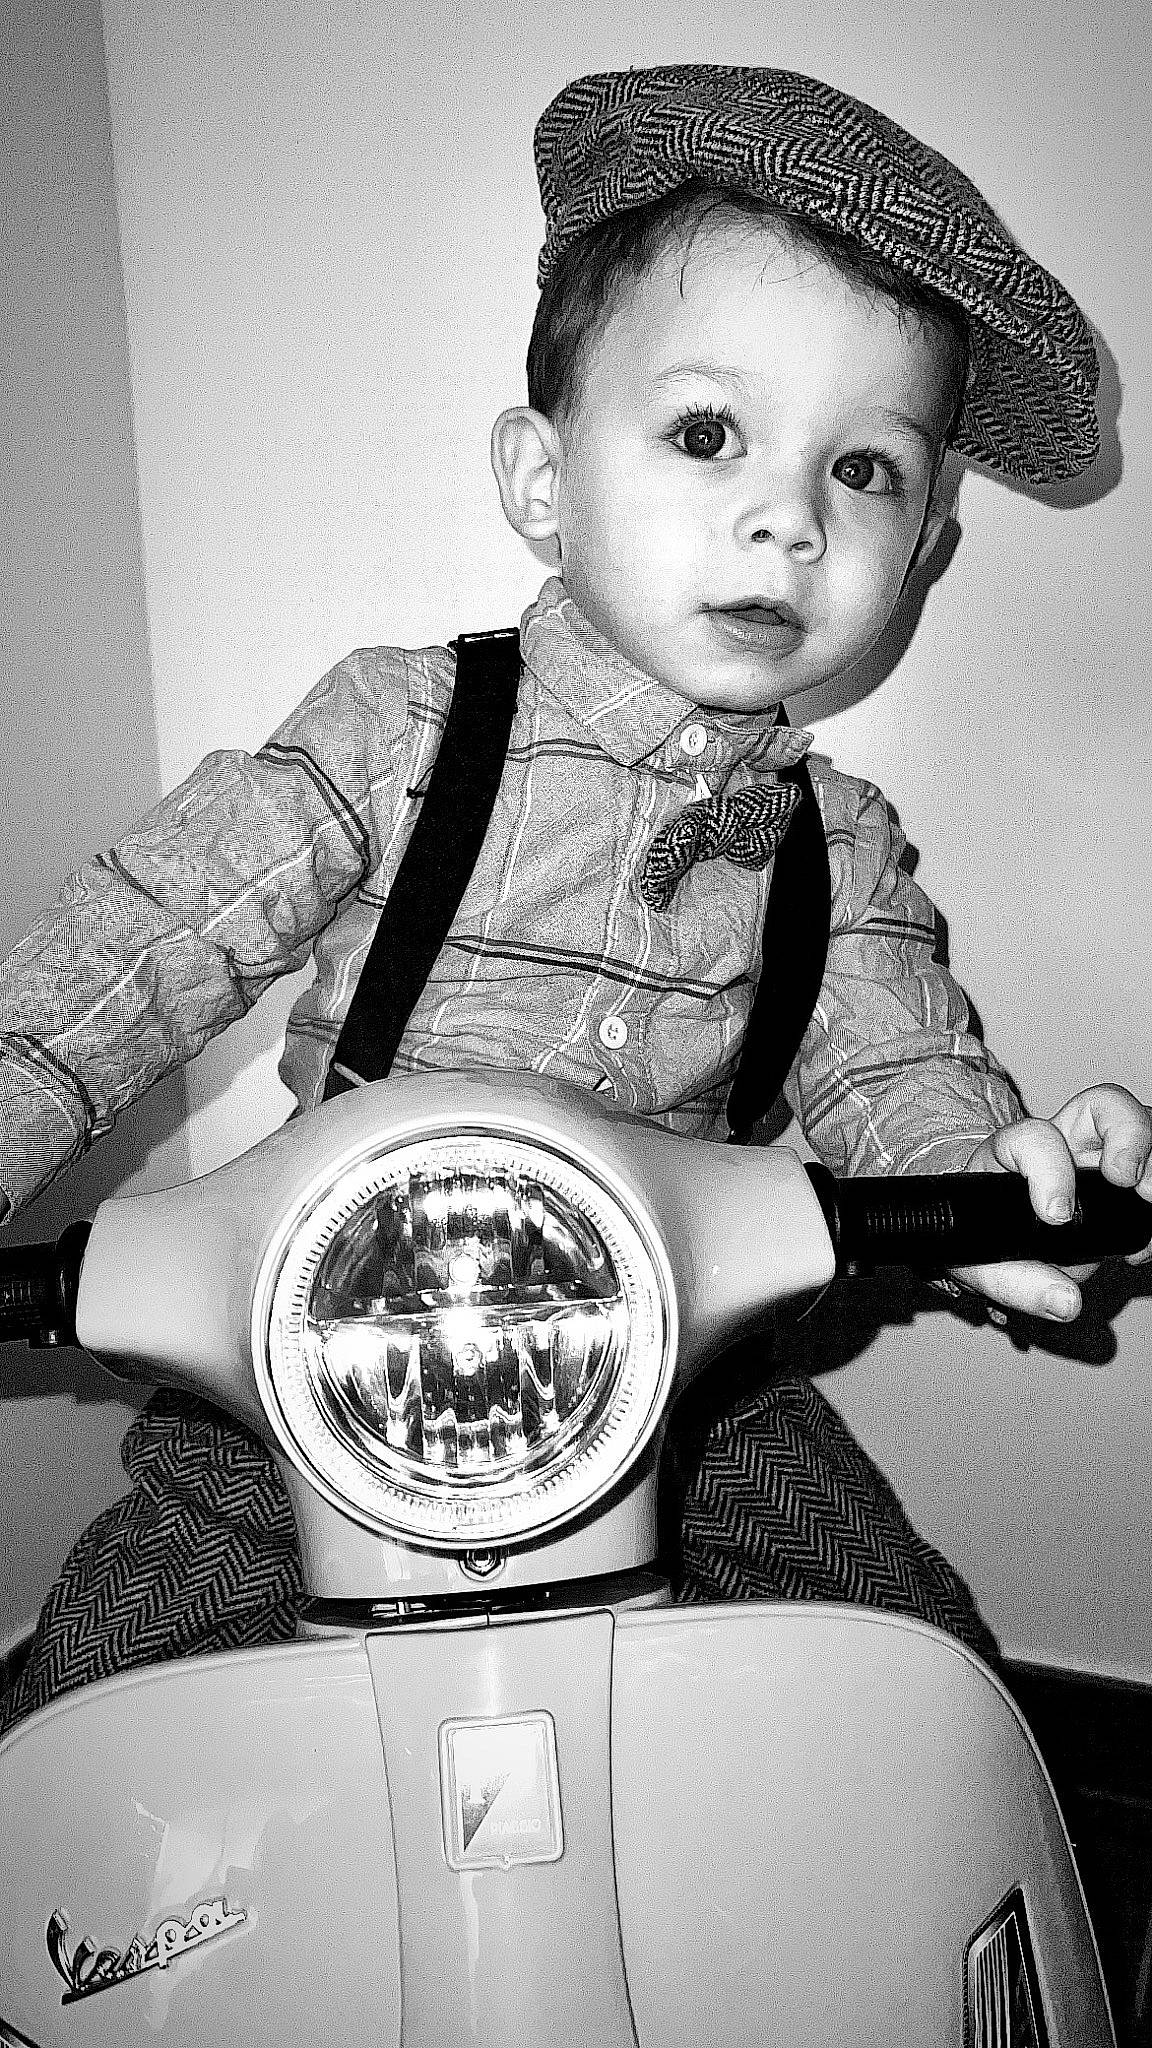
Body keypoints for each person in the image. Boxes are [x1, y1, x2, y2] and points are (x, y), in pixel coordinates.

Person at [2, 63, 1149, 1734]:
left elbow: (903, 1073)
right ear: (544, 484)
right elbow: (146, 946)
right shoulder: (400, 729)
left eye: (868, 472)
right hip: (323, 1374)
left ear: (924, 555)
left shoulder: (847, 846)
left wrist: (1003, 1189)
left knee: (924, 1682)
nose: (787, 513)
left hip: (699, 1397)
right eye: (709, 434)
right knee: (87, 1712)